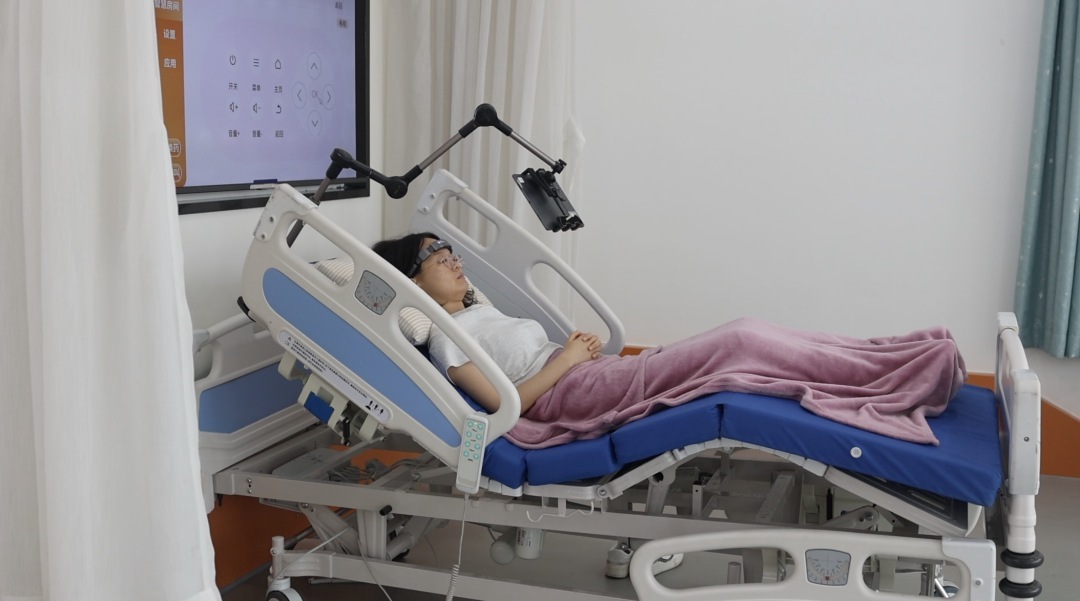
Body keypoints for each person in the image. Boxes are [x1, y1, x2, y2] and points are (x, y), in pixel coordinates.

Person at [372, 232, 967, 450]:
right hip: (571, 393)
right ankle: (899, 372)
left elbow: (528, 360)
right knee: (741, 340)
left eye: (450, 251)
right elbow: (505, 406)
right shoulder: (445, 340)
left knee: (746, 338)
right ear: (411, 281)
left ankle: (894, 357)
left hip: (585, 375)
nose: (452, 259)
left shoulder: (480, 311)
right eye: (436, 256)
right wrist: (569, 359)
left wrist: (574, 352)